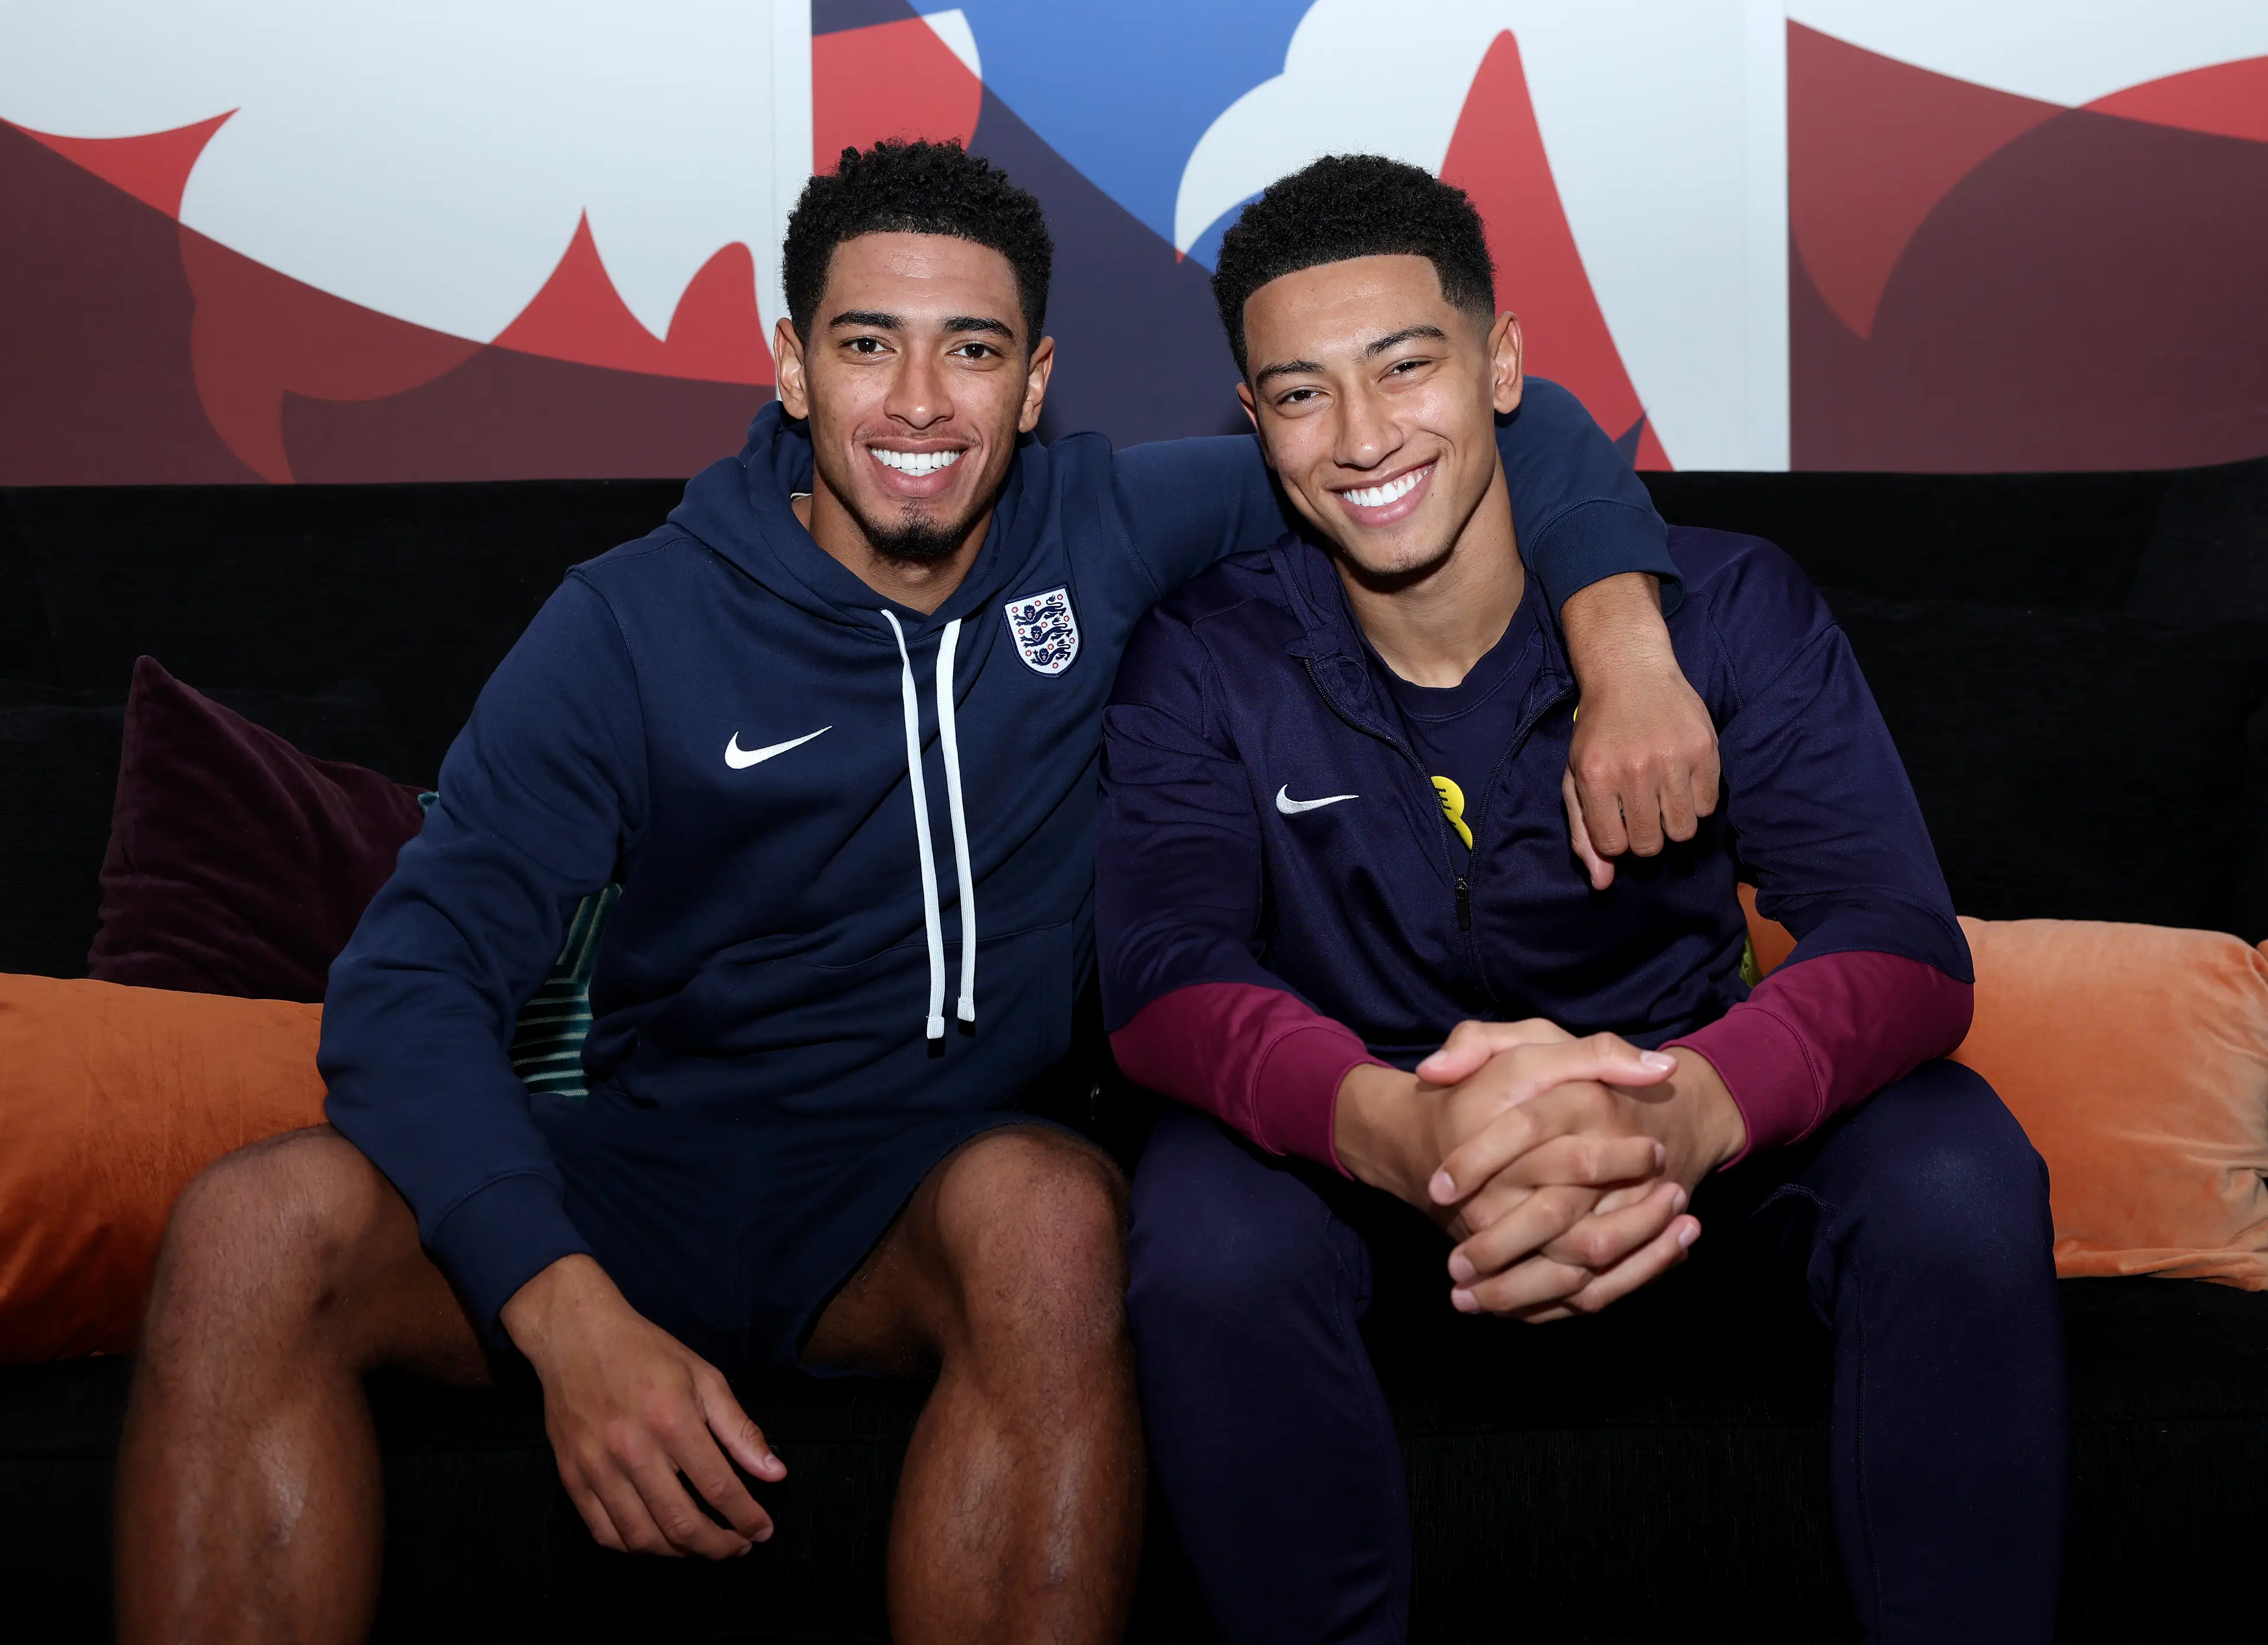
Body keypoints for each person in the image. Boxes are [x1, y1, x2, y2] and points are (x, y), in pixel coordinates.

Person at [113, 141, 1722, 1645]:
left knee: (1053, 1215)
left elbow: (1519, 428)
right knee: (252, 1226)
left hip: (931, 1189)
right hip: (654, 1168)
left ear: (1032, 386)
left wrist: (1628, 650)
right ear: (793, 363)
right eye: (869, 344)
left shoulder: (1101, 526)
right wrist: (563, 1314)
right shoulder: (628, 622)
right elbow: (408, 986)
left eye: (971, 350)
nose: (918, 399)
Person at [1098, 154, 2067, 1644]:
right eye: (1300, 394)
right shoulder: (1206, 652)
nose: (1361, 438)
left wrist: (1688, 1105)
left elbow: (1904, 941)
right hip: (1381, 1181)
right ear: (1252, 417)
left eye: (1405, 366)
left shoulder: (1725, 610)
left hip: (1697, 1164)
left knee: (1955, 1163)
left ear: (1501, 366)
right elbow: (1161, 973)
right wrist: (1391, 1120)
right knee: (1203, 1214)